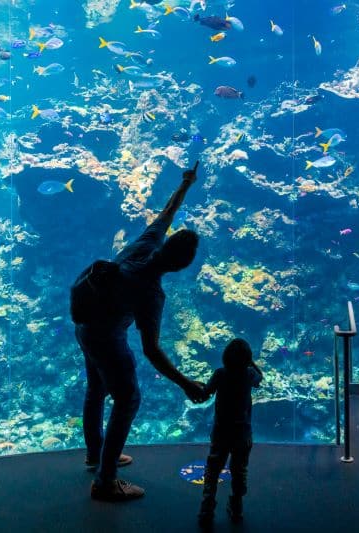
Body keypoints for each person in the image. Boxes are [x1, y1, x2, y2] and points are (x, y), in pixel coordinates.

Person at [75, 161, 207, 502]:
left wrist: (186, 183)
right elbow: (152, 350)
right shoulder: (151, 294)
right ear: (181, 266)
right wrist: (186, 383)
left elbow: (168, 211)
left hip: (84, 327)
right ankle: (105, 481)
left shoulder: (146, 243)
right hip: (106, 338)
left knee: (96, 390)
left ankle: (95, 453)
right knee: (128, 398)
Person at [198, 338, 263, 527]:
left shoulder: (220, 374)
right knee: (239, 469)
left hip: (220, 432)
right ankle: (236, 507)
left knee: (212, 469)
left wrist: (196, 386)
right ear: (248, 360)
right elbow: (261, 378)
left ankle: (206, 508)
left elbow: (206, 392)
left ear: (224, 357)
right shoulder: (249, 374)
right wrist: (251, 362)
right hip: (243, 433)